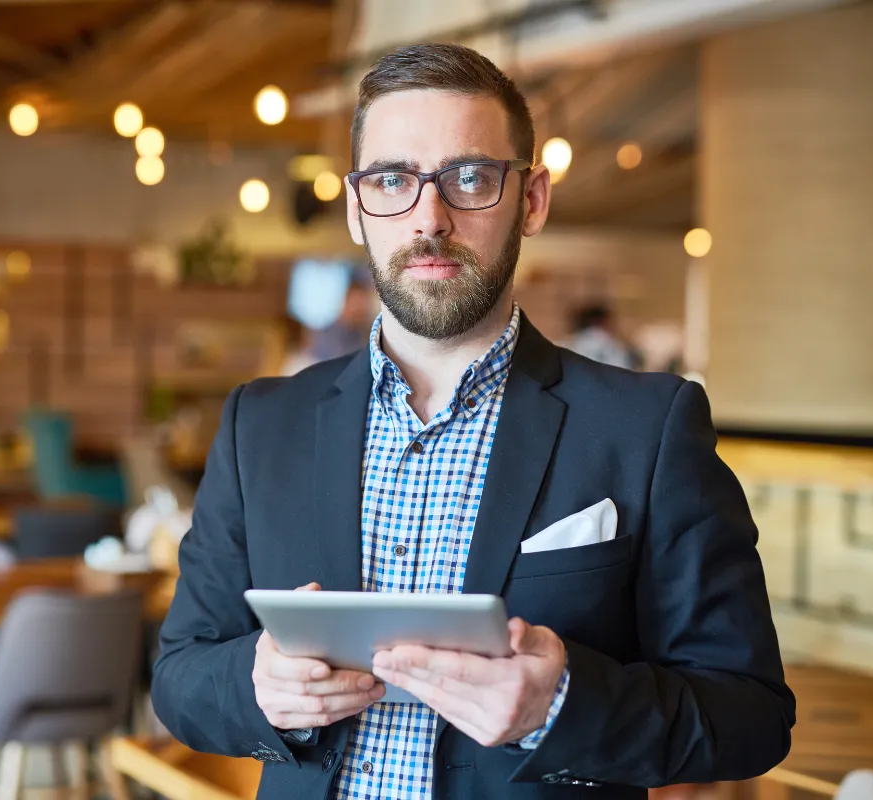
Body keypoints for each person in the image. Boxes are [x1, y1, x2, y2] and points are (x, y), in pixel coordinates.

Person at [152, 42, 794, 799]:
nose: (430, 217)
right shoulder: (260, 424)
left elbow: (750, 713)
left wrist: (563, 706)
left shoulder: (647, 428)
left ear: (531, 199)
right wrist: (257, 685)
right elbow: (180, 675)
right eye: (393, 179)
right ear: (358, 209)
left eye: (469, 177)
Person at [563, 303, 639, 370]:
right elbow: (624, 369)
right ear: (598, 322)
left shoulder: (567, 345)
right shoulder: (610, 344)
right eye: (610, 322)